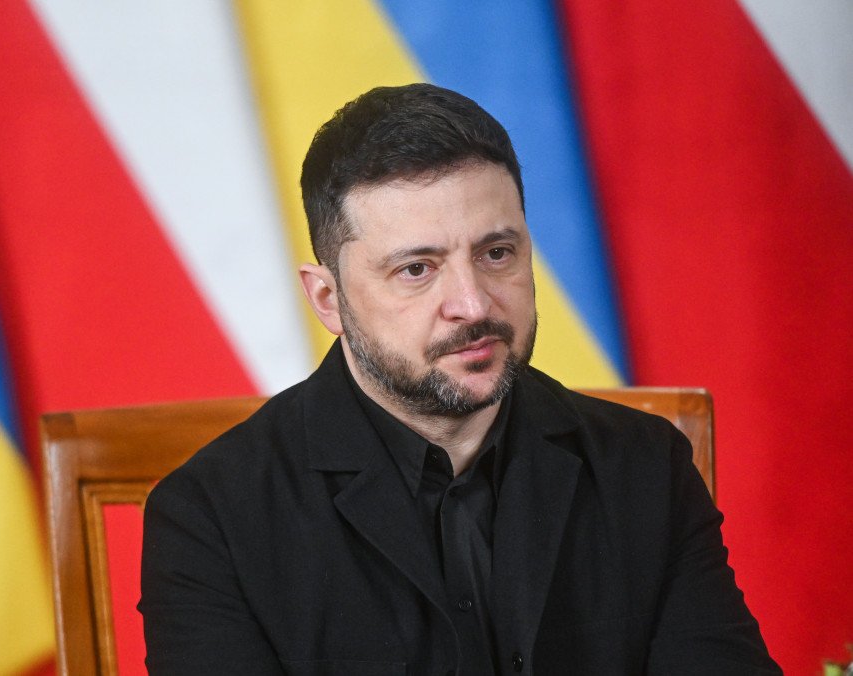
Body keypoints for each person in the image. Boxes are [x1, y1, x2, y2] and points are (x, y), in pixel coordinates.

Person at [139, 83, 779, 675]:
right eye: (417, 269)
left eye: (496, 253)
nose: (473, 305)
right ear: (328, 298)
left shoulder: (645, 466)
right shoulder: (208, 518)